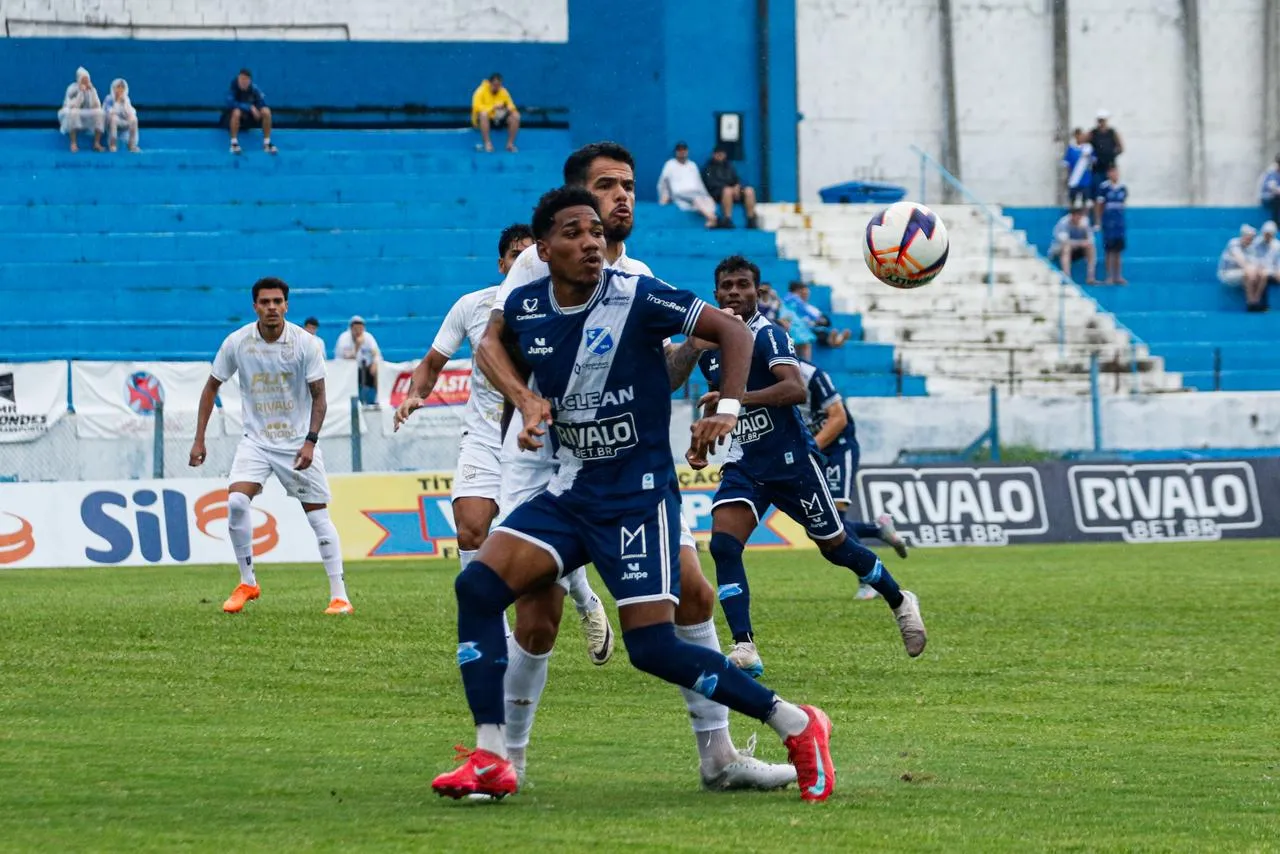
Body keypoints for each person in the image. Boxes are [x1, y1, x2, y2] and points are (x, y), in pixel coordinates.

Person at [432, 187, 835, 802]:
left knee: (651, 647)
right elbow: (491, 347)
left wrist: (727, 408)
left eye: (595, 231)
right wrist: (525, 400)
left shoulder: (638, 295)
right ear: (543, 250)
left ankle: (797, 723)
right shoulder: (526, 305)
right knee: (477, 588)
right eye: (573, 233)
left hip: (637, 497)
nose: (591, 242)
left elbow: (732, 330)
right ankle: (491, 756)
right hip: (569, 491)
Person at [693, 255, 926, 679]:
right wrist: (705, 436)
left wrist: (739, 398)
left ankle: (899, 600)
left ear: (757, 292)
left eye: (743, 285)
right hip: (745, 463)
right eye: (727, 286)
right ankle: (744, 646)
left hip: (791, 462)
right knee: (724, 545)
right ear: (715, 294)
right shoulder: (710, 351)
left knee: (837, 548)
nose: (734, 292)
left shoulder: (769, 335)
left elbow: (794, 389)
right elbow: (722, 407)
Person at [394, 223, 614, 662]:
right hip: (483, 437)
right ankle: (491, 638)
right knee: (471, 529)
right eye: (515, 255)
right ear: (502, 264)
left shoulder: (563, 307)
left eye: (531, 254)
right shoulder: (472, 307)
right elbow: (432, 362)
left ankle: (586, 601)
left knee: (540, 542)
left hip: (538, 444)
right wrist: (416, 394)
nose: (523, 262)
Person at [188, 277, 352, 615]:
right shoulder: (237, 342)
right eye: (265, 302)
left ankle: (340, 597)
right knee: (236, 502)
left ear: (287, 306)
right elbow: (211, 387)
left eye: (278, 301)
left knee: (318, 518)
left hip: (297, 443)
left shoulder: (305, 344)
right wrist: (199, 438)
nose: (272, 307)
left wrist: (310, 441)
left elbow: (320, 397)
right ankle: (247, 582)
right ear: (255, 307)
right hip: (256, 442)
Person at [797, 358, 908, 600]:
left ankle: (868, 580)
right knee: (816, 526)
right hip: (812, 452)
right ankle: (877, 529)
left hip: (838, 449)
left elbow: (839, 418)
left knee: (835, 519)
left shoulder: (811, 375)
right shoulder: (767, 377)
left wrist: (808, 451)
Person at [657, 142, 719, 229]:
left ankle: (711, 220)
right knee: (697, 199)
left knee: (708, 200)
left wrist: (706, 195)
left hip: (694, 192)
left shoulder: (692, 165)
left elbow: (699, 183)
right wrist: (664, 197)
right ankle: (712, 218)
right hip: (679, 192)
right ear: (675, 152)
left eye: (684, 150)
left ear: (687, 151)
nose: (682, 152)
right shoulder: (670, 164)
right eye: (679, 150)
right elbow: (663, 182)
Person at [702, 145, 758, 229]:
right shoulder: (708, 167)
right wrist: (730, 188)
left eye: (722, 153)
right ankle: (727, 219)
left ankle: (751, 219)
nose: (720, 155)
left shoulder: (729, 165)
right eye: (718, 153)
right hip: (718, 193)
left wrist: (737, 187)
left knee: (749, 190)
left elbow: (736, 179)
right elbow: (710, 184)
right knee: (727, 191)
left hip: (734, 192)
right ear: (713, 154)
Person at [784, 282, 850, 352]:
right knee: (814, 334)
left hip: (812, 327)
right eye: (804, 293)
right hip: (802, 329)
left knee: (822, 332)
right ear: (798, 291)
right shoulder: (792, 301)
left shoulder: (806, 306)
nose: (807, 295)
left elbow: (824, 320)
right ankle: (835, 341)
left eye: (807, 293)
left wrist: (819, 321)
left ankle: (836, 341)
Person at [226, 68, 276, 155]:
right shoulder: (233, 88)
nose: (243, 82)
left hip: (251, 119)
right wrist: (249, 107)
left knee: (266, 111)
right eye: (241, 79)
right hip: (233, 119)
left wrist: (258, 109)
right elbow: (230, 102)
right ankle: (234, 144)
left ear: (249, 81)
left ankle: (267, 143)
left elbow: (262, 102)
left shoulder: (254, 89)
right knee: (236, 112)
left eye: (245, 79)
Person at [1094, 165, 1128, 285]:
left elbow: (1123, 204)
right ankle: (1108, 276)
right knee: (1109, 251)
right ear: (1108, 174)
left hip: (1119, 224)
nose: (1115, 174)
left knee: (1118, 251)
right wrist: (1099, 221)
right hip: (1108, 224)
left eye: (1116, 172)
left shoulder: (1123, 188)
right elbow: (1099, 205)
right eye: (1112, 172)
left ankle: (1118, 276)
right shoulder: (1104, 187)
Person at [334, 316, 380, 405]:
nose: (358, 331)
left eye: (360, 329)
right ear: (351, 328)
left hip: (364, 368)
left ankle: (378, 398)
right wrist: (357, 346)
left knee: (378, 369)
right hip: (346, 369)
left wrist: (374, 363)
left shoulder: (368, 337)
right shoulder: (344, 338)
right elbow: (347, 358)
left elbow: (376, 352)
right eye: (356, 329)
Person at [471, 73, 520, 154]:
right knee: (483, 114)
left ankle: (510, 144)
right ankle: (487, 143)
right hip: (483, 120)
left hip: (498, 118)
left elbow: (511, 105)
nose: (497, 88)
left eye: (499, 85)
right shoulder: (480, 91)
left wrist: (508, 108)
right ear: (489, 83)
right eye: (495, 85)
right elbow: (476, 107)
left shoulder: (503, 91)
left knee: (516, 116)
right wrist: (493, 107)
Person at [1219, 225, 1266, 310]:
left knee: (1262, 274)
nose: (1249, 240)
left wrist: (1256, 271)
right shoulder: (1233, 243)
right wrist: (1252, 270)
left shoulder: (1251, 247)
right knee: (1248, 273)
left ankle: (1256, 301)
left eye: (1251, 238)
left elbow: (1256, 264)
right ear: (1243, 236)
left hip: (1243, 272)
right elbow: (1242, 262)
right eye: (1248, 238)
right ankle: (1251, 303)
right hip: (1227, 273)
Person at [58, 67, 103, 153]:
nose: (85, 81)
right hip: (74, 111)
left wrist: (92, 92)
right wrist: (81, 92)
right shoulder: (72, 89)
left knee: (99, 113)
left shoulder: (92, 89)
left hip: (88, 112)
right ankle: (73, 143)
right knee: (73, 113)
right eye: (83, 79)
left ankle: (97, 143)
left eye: (87, 79)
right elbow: (74, 105)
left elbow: (97, 105)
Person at [1049, 207, 1097, 284]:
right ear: (1072, 215)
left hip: (1077, 249)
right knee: (1066, 248)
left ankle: (1090, 278)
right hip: (1059, 250)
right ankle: (1067, 277)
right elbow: (1064, 241)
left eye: (1080, 216)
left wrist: (1083, 240)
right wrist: (1080, 243)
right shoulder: (1063, 222)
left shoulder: (1085, 222)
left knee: (1091, 247)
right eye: (1076, 216)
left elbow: (1091, 240)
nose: (1078, 218)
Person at [1247, 221, 1280, 312]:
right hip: (1259, 270)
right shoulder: (1256, 243)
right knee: (1258, 275)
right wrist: (1258, 268)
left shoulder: (1277, 245)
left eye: (1270, 234)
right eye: (1266, 234)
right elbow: (1252, 258)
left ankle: (1257, 301)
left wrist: (1278, 271)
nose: (1267, 236)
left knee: (1267, 274)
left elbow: (1278, 263)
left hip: (1272, 271)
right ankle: (1254, 302)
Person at [100, 78, 139, 153]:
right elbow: (109, 112)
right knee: (114, 118)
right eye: (118, 87)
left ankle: (131, 145)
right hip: (111, 122)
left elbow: (129, 112)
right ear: (114, 88)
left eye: (122, 87)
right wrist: (117, 102)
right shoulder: (109, 99)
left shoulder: (126, 99)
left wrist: (125, 104)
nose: (120, 89)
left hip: (123, 120)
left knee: (134, 119)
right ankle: (113, 144)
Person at [1087, 109, 1123, 188]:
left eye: (1103, 120)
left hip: (1110, 167)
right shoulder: (1093, 133)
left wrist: (1112, 154)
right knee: (1097, 188)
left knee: (1109, 189)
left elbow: (1121, 148)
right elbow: (1084, 146)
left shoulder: (1112, 133)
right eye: (1100, 120)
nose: (1101, 123)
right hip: (1097, 168)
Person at [1062, 128, 1093, 206]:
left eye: (1081, 135)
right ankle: (1072, 212)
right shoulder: (1071, 148)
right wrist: (1066, 177)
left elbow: (1094, 161)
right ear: (1075, 136)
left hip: (1085, 180)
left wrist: (1089, 157)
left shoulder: (1088, 148)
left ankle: (1084, 214)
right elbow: (1067, 165)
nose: (1080, 137)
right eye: (1078, 135)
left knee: (1085, 202)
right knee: (1072, 201)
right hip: (1073, 180)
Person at [1257, 156, 1280, 226]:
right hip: (1267, 198)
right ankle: (1276, 223)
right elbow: (1273, 188)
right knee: (1277, 200)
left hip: (1275, 198)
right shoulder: (1271, 173)